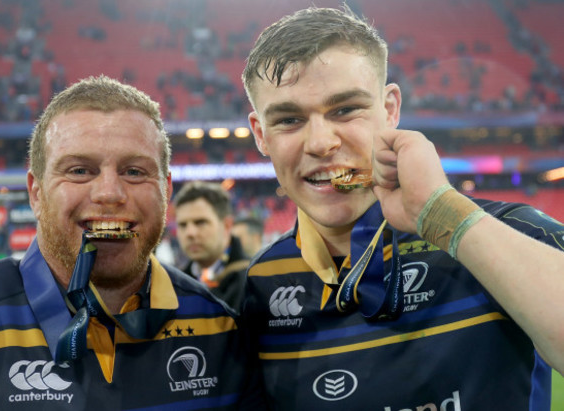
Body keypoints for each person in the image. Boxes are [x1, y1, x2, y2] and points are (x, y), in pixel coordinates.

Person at [241, 6, 564, 410]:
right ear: (260, 135)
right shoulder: (261, 282)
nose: (321, 143)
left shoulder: (509, 233)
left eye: (345, 109)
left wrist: (447, 217)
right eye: (289, 119)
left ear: (390, 109)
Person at [0, 75, 265, 410]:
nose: (109, 193)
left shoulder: (222, 331)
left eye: (134, 172)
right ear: (36, 193)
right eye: (80, 170)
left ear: (166, 189)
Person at [173, 181, 250, 312]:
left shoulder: (254, 282)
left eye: (200, 222)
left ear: (227, 226)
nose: (190, 233)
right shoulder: (173, 284)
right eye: (183, 225)